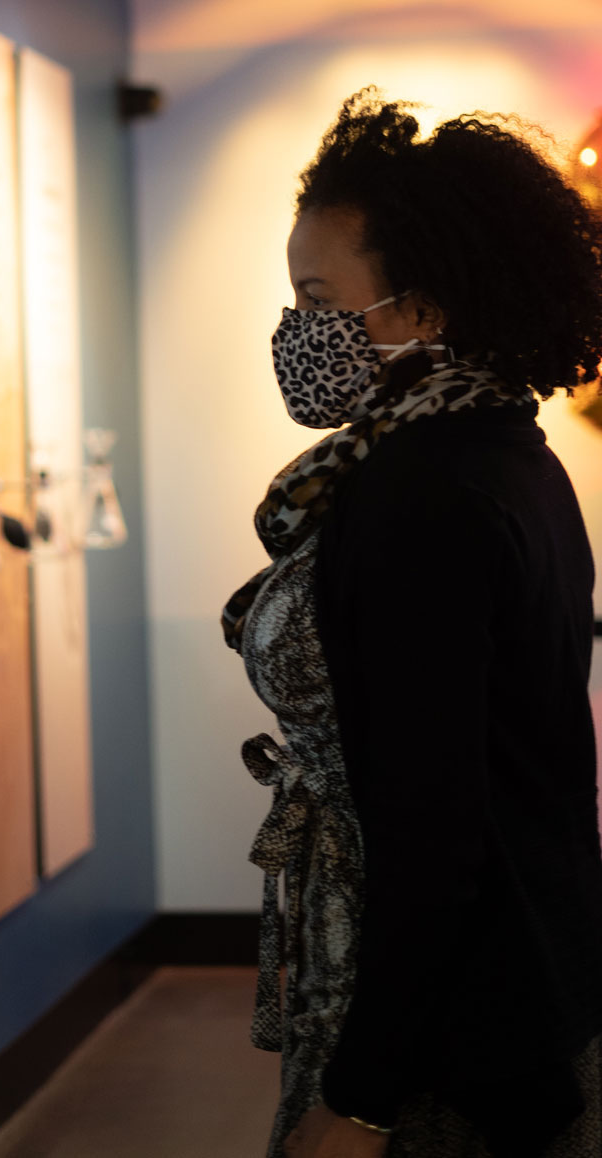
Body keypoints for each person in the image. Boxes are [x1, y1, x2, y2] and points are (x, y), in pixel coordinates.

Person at [222, 90, 602, 1158]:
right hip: (527, 970)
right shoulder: (502, 453)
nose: (297, 333)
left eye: (315, 298)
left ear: (421, 312)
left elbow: (435, 828)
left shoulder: (420, 498)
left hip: (453, 1029)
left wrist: (364, 1096)